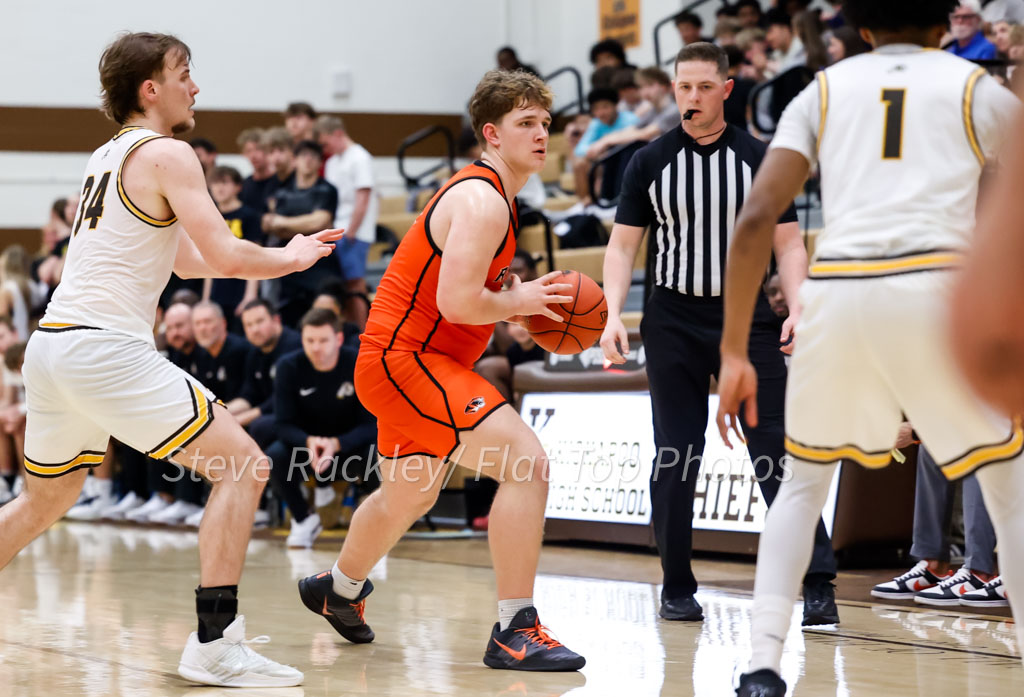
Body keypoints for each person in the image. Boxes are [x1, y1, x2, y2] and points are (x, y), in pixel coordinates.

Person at [0, 32, 343, 687]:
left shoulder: (107, 155)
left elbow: (180, 254)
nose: (196, 86)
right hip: (102, 345)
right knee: (243, 466)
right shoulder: (169, 151)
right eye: (185, 74)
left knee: (45, 500)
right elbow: (223, 256)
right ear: (150, 89)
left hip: (52, 348)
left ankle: (215, 639)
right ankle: (214, 642)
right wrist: (292, 256)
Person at [713, 1, 1021, 693]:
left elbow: (758, 215)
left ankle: (761, 663)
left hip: (842, 292)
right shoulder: (977, 88)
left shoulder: (823, 88)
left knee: (801, 484)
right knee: (1008, 485)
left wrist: (735, 353)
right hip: (937, 288)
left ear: (862, 28)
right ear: (944, 22)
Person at [294, 69, 585, 672]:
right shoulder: (481, 200)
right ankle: (515, 629)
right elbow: (457, 305)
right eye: (525, 124)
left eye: (545, 125)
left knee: (410, 492)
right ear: (491, 134)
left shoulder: (493, 196)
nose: (540, 136)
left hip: (407, 361)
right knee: (526, 464)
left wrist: (516, 301)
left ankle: (338, 590)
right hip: (410, 361)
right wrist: (520, 302)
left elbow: (463, 301)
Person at [599, 42, 838, 627]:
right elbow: (623, 244)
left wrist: (798, 306)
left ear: (727, 89)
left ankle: (817, 582)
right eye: (684, 87)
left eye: (705, 87)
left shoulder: (760, 157)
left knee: (774, 451)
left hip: (747, 319)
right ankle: (676, 584)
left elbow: (786, 243)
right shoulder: (648, 161)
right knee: (676, 455)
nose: (693, 97)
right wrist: (610, 313)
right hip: (672, 320)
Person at [266, 308, 376, 547]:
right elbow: (282, 424)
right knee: (275, 455)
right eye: (310, 340)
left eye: (323, 340)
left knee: (376, 454)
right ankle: (303, 519)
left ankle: (372, 525)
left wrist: (336, 444)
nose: (316, 347)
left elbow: (372, 425)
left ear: (338, 339)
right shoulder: (289, 366)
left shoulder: (358, 363)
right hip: (308, 449)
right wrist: (309, 442)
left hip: (349, 448)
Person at [263, 140, 340, 325]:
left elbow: (320, 222)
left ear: (320, 163)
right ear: (294, 160)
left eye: (313, 156)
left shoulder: (327, 189)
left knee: (323, 316)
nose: (308, 160)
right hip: (291, 262)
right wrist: (303, 224)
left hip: (322, 261)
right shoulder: (282, 191)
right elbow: (270, 226)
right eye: (303, 155)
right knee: (289, 317)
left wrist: (283, 222)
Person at [318, 115, 379, 329]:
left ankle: (364, 331)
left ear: (338, 133)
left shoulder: (360, 157)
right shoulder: (333, 161)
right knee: (343, 285)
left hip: (355, 231)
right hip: (337, 227)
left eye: (326, 142)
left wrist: (351, 231)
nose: (325, 149)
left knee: (355, 284)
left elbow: (363, 198)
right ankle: (351, 327)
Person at [226, 298, 301, 435]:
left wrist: (242, 419)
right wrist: (221, 412)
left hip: (296, 415)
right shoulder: (254, 351)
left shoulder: (294, 346)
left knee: (258, 426)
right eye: (248, 325)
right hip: (268, 414)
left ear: (276, 320)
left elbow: (281, 398)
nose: (254, 329)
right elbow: (249, 395)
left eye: (260, 322)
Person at [205, 166, 262, 325]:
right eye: (215, 183)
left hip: (241, 288)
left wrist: (250, 295)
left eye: (224, 182)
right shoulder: (210, 216)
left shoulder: (249, 216)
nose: (219, 187)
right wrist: (206, 299)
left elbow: (256, 257)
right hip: (218, 288)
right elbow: (207, 258)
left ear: (238, 187)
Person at [237, 127, 276, 214]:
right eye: (248, 151)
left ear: (268, 149)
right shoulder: (244, 185)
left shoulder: (281, 180)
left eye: (258, 149)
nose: (253, 155)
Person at [0, 246, 36, 339]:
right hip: (28, 336)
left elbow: (2, 318)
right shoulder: (31, 285)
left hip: (12, 339)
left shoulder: (7, 288)